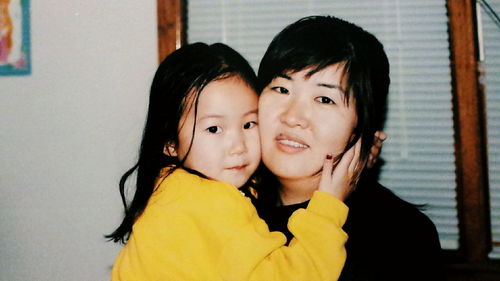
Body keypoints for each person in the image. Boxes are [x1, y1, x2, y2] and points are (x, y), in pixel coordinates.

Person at [107, 42, 362, 280]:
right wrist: (328, 209)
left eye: (249, 124)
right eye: (214, 129)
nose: (238, 146)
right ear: (170, 143)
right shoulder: (207, 204)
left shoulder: (172, 190)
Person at [253, 15, 444, 281]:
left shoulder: (399, 235)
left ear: (361, 129)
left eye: (324, 99)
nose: (292, 116)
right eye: (282, 89)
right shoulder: (224, 207)